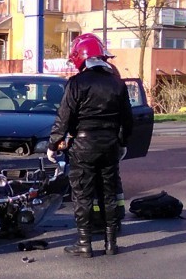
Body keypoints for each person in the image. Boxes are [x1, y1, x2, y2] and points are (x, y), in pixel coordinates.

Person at [49, 34, 133, 257]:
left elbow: (64, 117)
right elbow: (128, 119)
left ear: (81, 58)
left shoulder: (77, 83)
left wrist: (53, 144)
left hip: (83, 145)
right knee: (109, 193)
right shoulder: (118, 84)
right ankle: (111, 243)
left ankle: (84, 244)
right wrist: (122, 143)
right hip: (110, 146)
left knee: (83, 195)